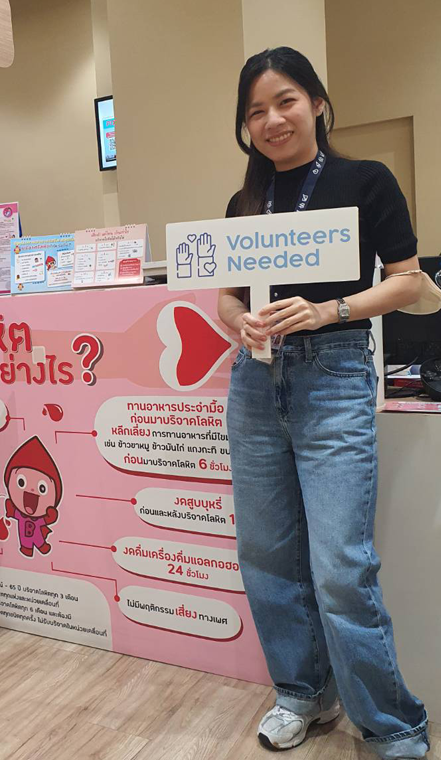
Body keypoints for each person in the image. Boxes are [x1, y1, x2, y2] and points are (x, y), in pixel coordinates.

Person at [218, 48, 430, 759]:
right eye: (256, 111)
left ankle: (394, 723)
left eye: (285, 101)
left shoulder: (365, 180)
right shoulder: (244, 203)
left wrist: (330, 310)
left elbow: (407, 283)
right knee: (267, 555)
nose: (272, 120)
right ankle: (301, 693)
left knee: (341, 564)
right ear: (245, 126)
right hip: (254, 381)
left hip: (334, 377)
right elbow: (225, 293)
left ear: (314, 101)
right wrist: (236, 320)